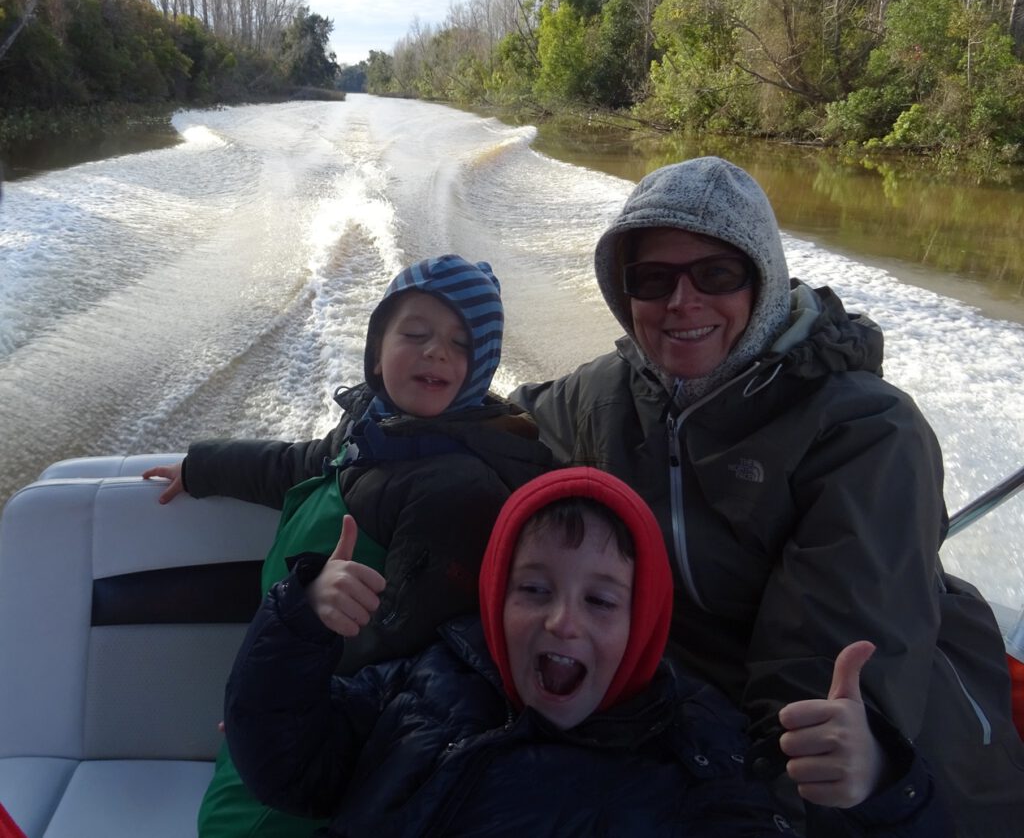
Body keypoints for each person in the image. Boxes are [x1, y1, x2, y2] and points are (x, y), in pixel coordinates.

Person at [509, 157, 1024, 835]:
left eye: (717, 275)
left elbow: (823, 669)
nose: (681, 302)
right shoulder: (609, 393)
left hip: (864, 751)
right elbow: (507, 426)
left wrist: (786, 794)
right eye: (653, 279)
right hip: (678, 704)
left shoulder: (866, 433)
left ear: (764, 280)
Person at [224, 466, 947, 837]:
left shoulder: (694, 763)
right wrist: (301, 620)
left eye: (601, 601)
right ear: (494, 599)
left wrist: (878, 788)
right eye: (533, 589)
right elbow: (286, 767)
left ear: (645, 620)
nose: (562, 622)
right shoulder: (424, 678)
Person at [143, 254, 553, 838]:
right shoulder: (372, 430)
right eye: (415, 333)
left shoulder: (457, 489)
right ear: (377, 346)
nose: (436, 351)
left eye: (461, 344)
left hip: (330, 738)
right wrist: (203, 467)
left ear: (481, 366)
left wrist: (277, 706)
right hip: (282, 695)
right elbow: (295, 464)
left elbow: (406, 648)